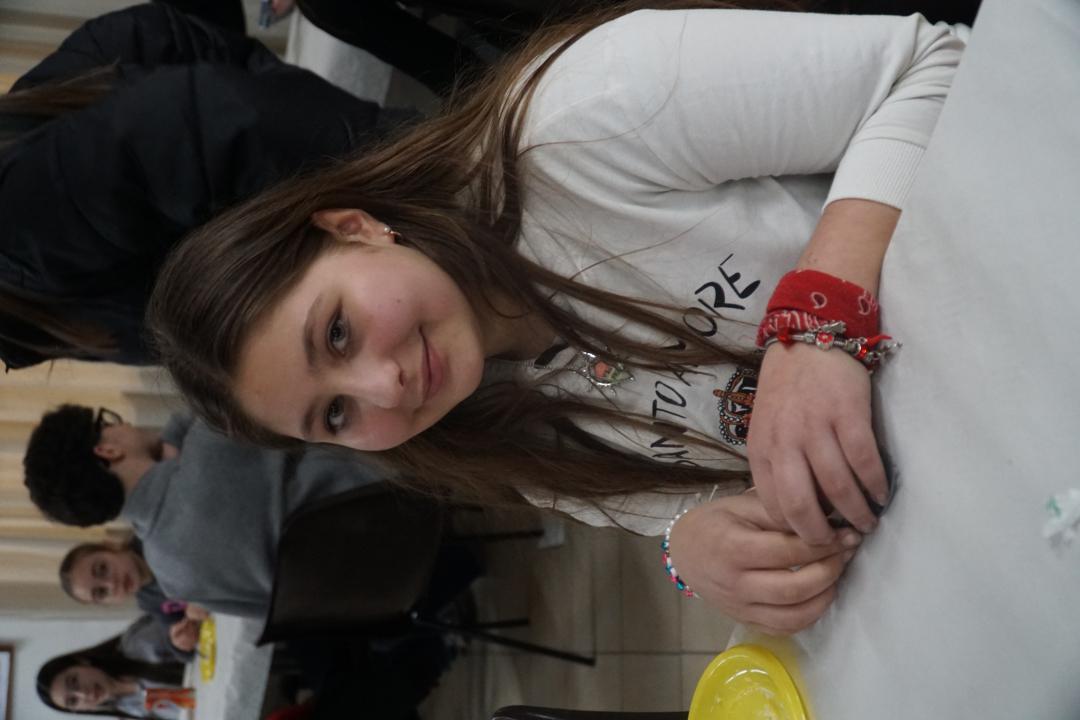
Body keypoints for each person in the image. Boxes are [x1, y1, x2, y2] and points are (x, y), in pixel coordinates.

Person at [148, 1, 964, 634]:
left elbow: (933, 63)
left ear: (355, 227)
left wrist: (821, 318)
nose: (384, 387)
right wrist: (687, 544)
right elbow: (666, 504)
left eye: (337, 332)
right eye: (335, 415)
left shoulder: (578, 119)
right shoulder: (497, 434)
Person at [0, 2, 398, 370]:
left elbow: (187, 118)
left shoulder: (16, 221)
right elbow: (139, 39)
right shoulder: (21, 308)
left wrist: (386, 159)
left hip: (368, 229)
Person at [25, 405, 386, 618]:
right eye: (109, 423)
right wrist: (175, 442)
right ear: (107, 450)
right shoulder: (210, 438)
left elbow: (276, 612)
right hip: (398, 486)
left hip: (379, 593)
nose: (122, 424)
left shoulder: (174, 580)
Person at [56, 540, 205, 658]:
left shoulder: (155, 538)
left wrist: (201, 596)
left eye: (102, 568)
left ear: (110, 546)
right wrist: (179, 641)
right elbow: (177, 631)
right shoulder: (147, 601)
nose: (111, 584)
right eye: (101, 592)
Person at [36, 634, 188, 719]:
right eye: (73, 701)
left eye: (74, 681)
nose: (83, 693)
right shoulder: (131, 711)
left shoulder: (140, 643)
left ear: (82, 662)